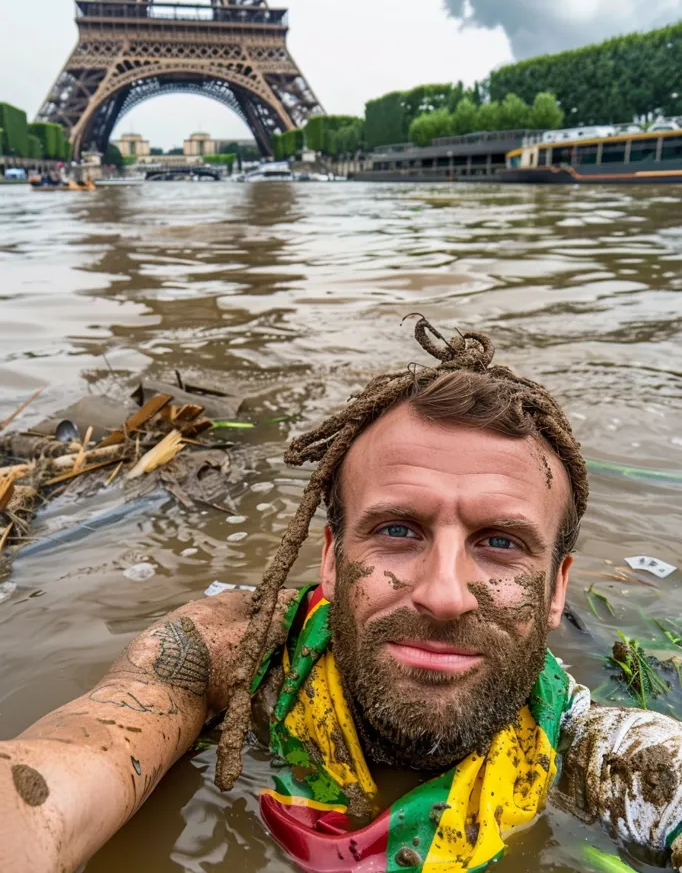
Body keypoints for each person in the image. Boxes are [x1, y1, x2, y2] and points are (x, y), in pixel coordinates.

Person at [2, 319, 682, 873]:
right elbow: (50, 791)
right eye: (396, 530)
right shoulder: (234, 660)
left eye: (500, 543)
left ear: (558, 587)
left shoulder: (607, 760)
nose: (444, 596)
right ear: (331, 560)